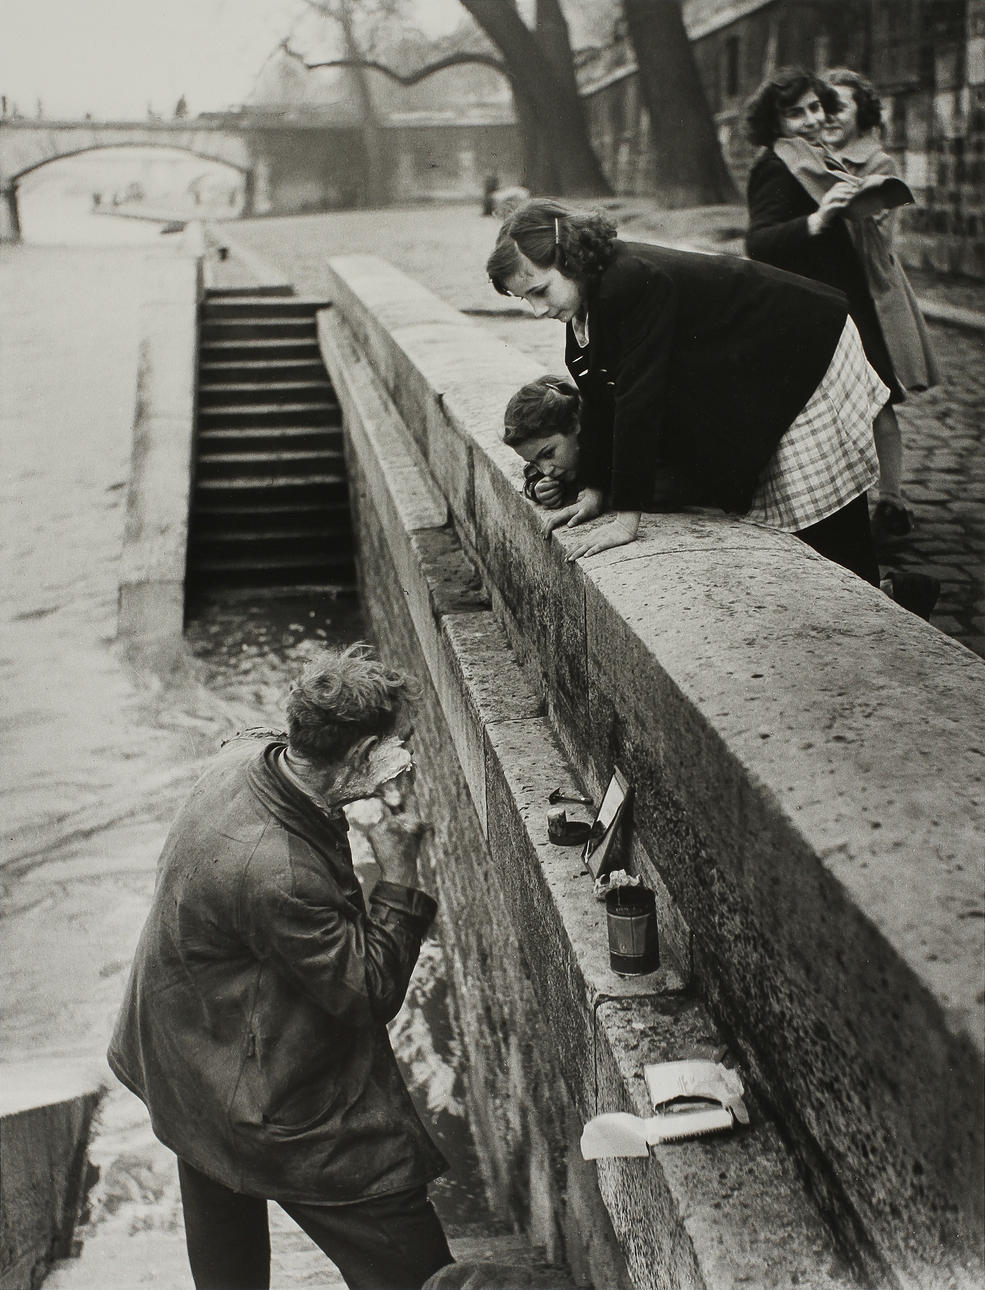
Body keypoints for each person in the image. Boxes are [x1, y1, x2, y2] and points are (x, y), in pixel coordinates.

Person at [107, 643, 454, 1290]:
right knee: (414, 1265)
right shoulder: (281, 874)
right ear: (358, 756)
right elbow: (367, 989)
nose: (409, 757)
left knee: (228, 1269)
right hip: (254, 1095)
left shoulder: (242, 754)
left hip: (184, 1063)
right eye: (400, 744)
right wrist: (401, 873)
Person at [486, 197, 888, 590]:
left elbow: (637, 399)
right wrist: (594, 489)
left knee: (817, 505)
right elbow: (600, 397)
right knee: (794, 506)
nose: (538, 310)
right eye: (526, 299)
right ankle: (887, 593)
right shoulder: (590, 298)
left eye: (540, 291)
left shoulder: (626, 281)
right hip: (763, 363)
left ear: (568, 258)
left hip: (807, 345)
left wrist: (627, 519)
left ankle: (877, 601)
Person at [743, 66, 929, 542]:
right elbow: (760, 241)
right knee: (825, 410)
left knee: (875, 396)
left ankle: (884, 503)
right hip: (810, 308)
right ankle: (826, 514)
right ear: (775, 121)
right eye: (795, 112)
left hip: (845, 301)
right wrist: (820, 218)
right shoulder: (776, 164)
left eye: (814, 108)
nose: (809, 119)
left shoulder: (816, 157)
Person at [821, 67, 941, 536]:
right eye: (823, 107)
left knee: (879, 398)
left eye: (841, 107)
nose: (830, 117)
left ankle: (892, 497)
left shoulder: (876, 162)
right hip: (830, 287)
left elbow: (877, 232)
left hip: (869, 290)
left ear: (862, 114)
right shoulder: (810, 157)